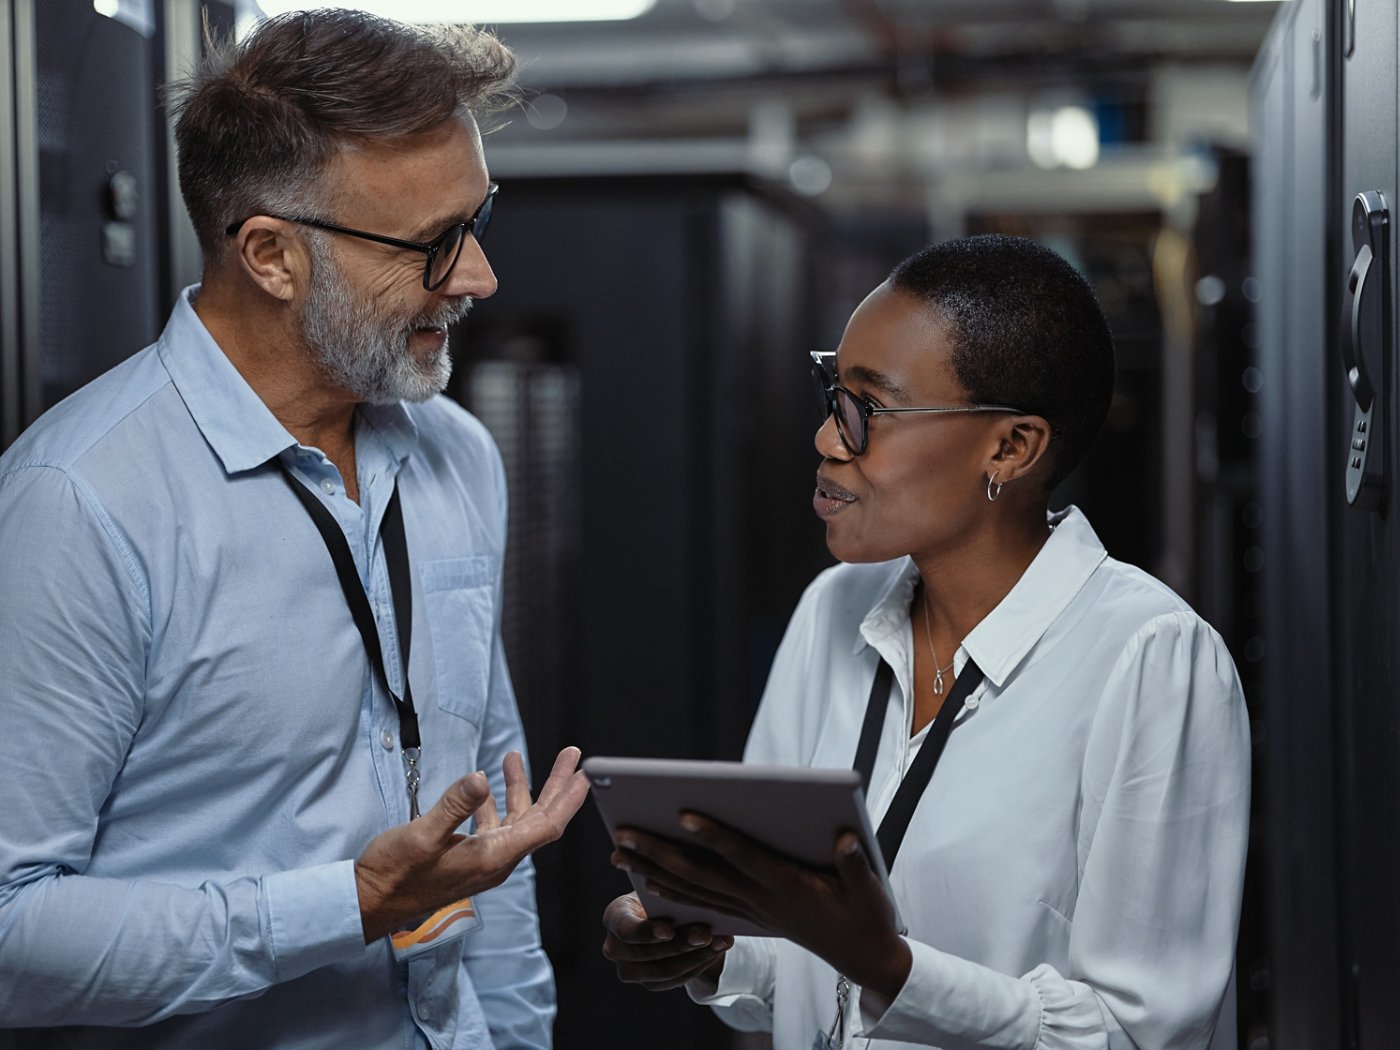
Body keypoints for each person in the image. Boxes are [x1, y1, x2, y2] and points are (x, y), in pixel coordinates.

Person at [0, 11, 589, 1049]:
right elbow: (10, 931)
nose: (476, 279)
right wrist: (349, 905)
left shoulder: (457, 455)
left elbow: (489, 821)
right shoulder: (79, 505)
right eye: (430, 245)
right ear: (270, 255)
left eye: (477, 222)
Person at [600, 235, 1250, 1049]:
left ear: (1011, 448)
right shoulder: (833, 609)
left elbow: (1137, 1033)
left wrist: (888, 966)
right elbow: (789, 970)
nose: (828, 440)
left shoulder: (1151, 659)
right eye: (832, 393)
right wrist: (707, 950)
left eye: (867, 410)